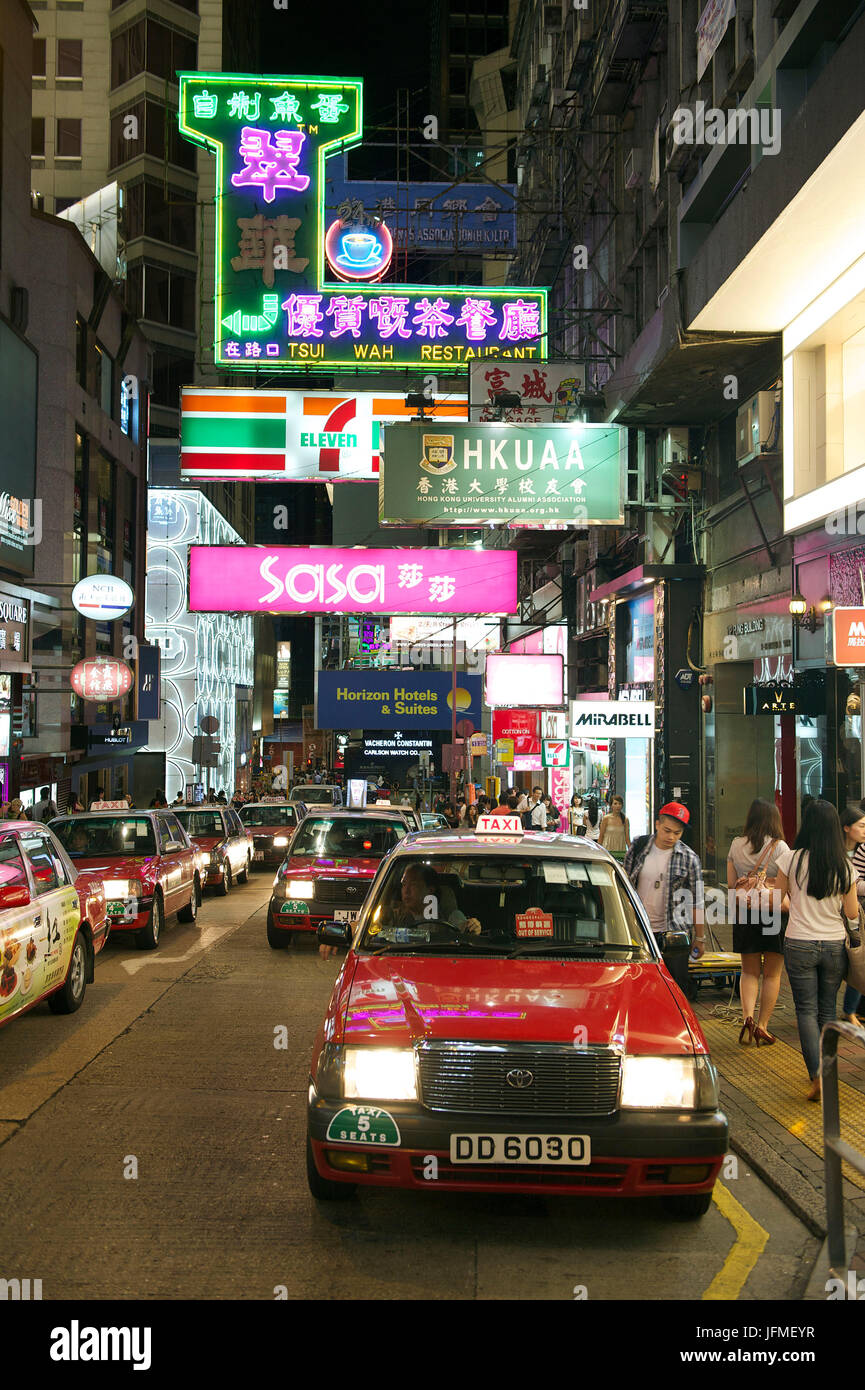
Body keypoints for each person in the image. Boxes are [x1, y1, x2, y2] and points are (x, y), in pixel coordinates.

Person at [773, 800, 858, 1102]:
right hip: (834, 946)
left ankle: (817, 1075)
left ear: (807, 825)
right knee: (827, 1012)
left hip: (799, 943)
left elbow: (777, 900)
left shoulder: (792, 860)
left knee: (806, 1012)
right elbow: (851, 913)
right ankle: (830, 1075)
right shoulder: (844, 866)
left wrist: (795, 905)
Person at [726, 798, 790, 1046]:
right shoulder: (781, 848)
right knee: (772, 974)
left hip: (746, 912)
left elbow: (732, 884)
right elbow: (785, 886)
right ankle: (762, 1025)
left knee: (749, 970)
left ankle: (747, 1018)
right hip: (773, 911)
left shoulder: (736, 845)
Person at [623, 802, 704, 994]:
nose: (671, 837)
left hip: (674, 935)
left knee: (674, 990)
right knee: (638, 987)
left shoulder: (689, 858)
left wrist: (700, 938)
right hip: (638, 932)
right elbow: (624, 886)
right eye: (667, 830)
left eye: (677, 833)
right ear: (657, 824)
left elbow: (697, 901)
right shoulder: (638, 846)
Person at [839, 804, 865, 1024]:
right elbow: (855, 883)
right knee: (849, 961)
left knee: (857, 961)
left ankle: (850, 1010)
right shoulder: (838, 851)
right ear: (847, 827)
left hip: (856, 914)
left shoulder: (859, 849)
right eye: (862, 826)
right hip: (842, 914)